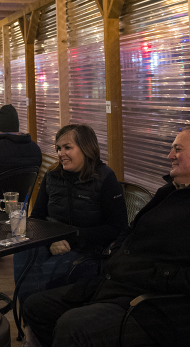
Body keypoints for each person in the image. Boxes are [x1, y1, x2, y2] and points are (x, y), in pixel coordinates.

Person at [13, 127, 190, 347]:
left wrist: (147, 273)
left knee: (71, 326)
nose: (170, 155)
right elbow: (129, 229)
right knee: (35, 306)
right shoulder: (168, 192)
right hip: (116, 285)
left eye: (177, 149)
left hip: (158, 309)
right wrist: (117, 255)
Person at [13, 124, 128, 306]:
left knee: (46, 271)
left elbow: (117, 228)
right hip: (50, 241)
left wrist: (72, 238)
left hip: (87, 250)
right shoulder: (52, 176)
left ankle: (33, 317)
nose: (60, 153)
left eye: (67, 147)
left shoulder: (105, 178)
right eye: (58, 148)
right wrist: (50, 241)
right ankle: (34, 318)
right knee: (23, 254)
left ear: (86, 148)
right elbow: (36, 219)